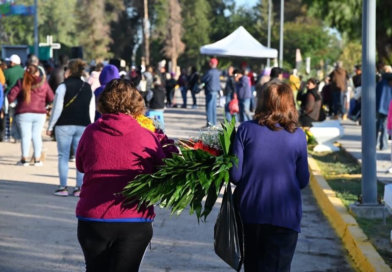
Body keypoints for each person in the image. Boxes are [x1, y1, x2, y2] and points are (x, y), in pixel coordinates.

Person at [76, 79, 165, 272]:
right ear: (136, 103)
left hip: (93, 219)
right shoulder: (147, 136)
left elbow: (81, 166)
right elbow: (161, 169)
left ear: (104, 101)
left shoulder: (91, 132)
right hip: (134, 219)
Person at [230, 81, 309, 272]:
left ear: (262, 102)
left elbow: (235, 175)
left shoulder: (245, 130)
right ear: (290, 104)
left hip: (251, 213)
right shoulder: (298, 135)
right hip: (285, 215)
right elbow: (303, 180)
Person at [47, 59, 95, 197]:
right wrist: (90, 125)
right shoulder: (87, 87)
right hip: (83, 125)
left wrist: (50, 126)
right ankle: (79, 188)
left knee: (63, 156)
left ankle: (63, 187)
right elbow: (91, 109)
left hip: (64, 125)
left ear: (69, 71)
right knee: (81, 158)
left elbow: (57, 109)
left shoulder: (62, 87)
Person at [7, 64, 54, 165]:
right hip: (40, 113)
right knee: (37, 136)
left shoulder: (21, 82)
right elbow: (51, 97)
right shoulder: (43, 82)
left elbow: (11, 97)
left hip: (23, 113)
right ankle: (37, 160)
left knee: (25, 136)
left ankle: (24, 160)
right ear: (37, 72)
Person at [3, 54, 25, 142]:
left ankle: (7, 136)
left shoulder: (7, 72)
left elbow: (3, 83)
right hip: (21, 96)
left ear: (12, 63)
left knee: (7, 116)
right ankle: (18, 137)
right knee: (18, 117)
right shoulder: (24, 71)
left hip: (9, 96)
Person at [201, 58, 221, 127]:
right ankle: (214, 123)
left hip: (210, 91)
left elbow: (203, 79)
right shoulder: (217, 72)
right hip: (215, 91)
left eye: (210, 63)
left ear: (212, 64)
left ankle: (209, 123)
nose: (209, 64)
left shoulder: (209, 72)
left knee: (209, 107)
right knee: (213, 108)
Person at [376, 73, 392, 150]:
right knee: (385, 127)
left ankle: (372, 144)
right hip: (387, 109)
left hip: (377, 108)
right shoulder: (389, 86)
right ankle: (384, 145)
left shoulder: (379, 84)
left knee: (375, 127)